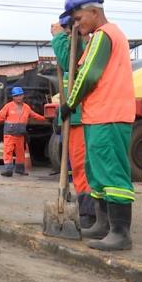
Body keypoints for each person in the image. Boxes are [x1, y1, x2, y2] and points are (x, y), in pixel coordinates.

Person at [60, 0, 135, 251]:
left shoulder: (105, 35)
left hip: (109, 115)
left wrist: (70, 102)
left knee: (112, 172)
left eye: (79, 18)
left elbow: (89, 74)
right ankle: (103, 225)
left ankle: (120, 232)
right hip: (98, 116)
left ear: (94, 11)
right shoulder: (97, 38)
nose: (77, 24)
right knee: (97, 172)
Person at [51, 15, 95, 227]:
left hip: (80, 116)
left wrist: (58, 38)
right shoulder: (78, 43)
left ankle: (89, 212)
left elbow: (67, 59)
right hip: (73, 114)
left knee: (82, 166)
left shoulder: (81, 44)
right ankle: (86, 207)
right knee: (77, 166)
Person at [0, 87, 47, 177]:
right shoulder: (8, 106)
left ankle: (20, 170)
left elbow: (35, 115)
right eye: (16, 96)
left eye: (20, 95)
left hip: (20, 135)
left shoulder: (26, 108)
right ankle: (8, 170)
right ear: (13, 97)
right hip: (9, 134)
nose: (18, 97)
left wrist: (46, 118)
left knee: (20, 153)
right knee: (8, 151)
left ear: (23, 95)